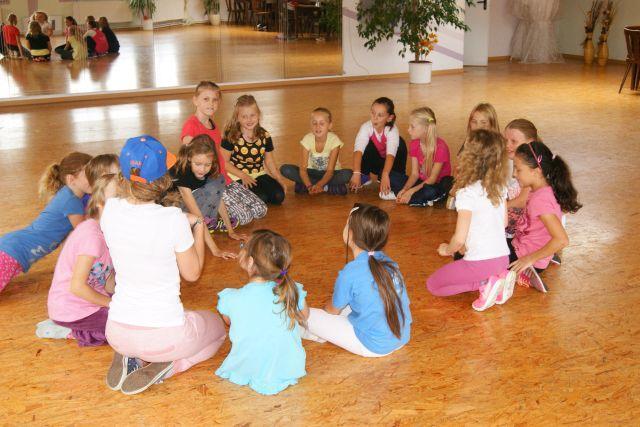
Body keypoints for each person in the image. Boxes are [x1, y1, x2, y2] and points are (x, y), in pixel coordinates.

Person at [103, 135, 226, 395]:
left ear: (123, 176)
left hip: (116, 332)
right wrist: (197, 226)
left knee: (177, 320)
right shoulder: (173, 219)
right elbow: (192, 274)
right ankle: (170, 365)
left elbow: (125, 200)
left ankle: (129, 356)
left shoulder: (109, 210)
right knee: (217, 330)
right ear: (163, 179)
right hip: (165, 339)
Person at [302, 204, 412, 357]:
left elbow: (332, 310)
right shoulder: (390, 263)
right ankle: (323, 333)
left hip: (374, 346)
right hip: (401, 337)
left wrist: (325, 311)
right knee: (353, 303)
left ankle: (314, 333)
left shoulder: (350, 272)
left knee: (307, 313)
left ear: (351, 233)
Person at [426, 130, 515, 311]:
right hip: (502, 260)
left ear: (468, 159)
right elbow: (504, 223)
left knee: (433, 285)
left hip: (479, 264)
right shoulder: (499, 187)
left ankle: (485, 284)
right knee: (465, 273)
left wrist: (446, 250)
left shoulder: (466, 193)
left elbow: (459, 239)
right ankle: (493, 281)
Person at [216, 230, 308, 395]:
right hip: (290, 368)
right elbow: (305, 315)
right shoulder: (292, 290)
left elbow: (229, 321)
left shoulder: (230, 298)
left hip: (248, 368)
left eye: (243, 246)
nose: (240, 249)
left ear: (250, 262)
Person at [38, 174, 118, 346]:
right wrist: (113, 303)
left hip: (90, 301)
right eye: (117, 202)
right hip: (72, 309)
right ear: (100, 205)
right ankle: (69, 330)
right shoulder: (92, 236)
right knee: (121, 330)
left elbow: (108, 279)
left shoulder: (111, 233)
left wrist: (123, 297)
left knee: (133, 316)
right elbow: (77, 287)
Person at [0, 152, 92, 294]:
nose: (94, 178)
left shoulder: (70, 195)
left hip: (14, 248)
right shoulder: (71, 202)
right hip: (14, 251)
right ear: (71, 179)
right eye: (89, 175)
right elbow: (84, 232)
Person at [181, 81, 267, 227]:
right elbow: (186, 154)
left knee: (260, 210)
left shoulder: (213, 125)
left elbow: (220, 157)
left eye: (215, 100)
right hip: (209, 184)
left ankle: (216, 211)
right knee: (245, 217)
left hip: (224, 179)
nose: (211, 103)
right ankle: (211, 218)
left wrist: (237, 176)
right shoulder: (191, 125)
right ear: (195, 100)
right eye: (206, 99)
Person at [508, 141, 582, 291]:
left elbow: (562, 240)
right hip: (522, 247)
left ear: (536, 172)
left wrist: (529, 259)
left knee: (484, 258)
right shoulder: (540, 189)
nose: (514, 174)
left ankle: (523, 274)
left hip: (526, 257)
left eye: (518, 169)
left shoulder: (540, 200)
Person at [171, 134, 244, 258]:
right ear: (189, 158)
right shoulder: (182, 171)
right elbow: (196, 213)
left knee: (218, 180)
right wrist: (215, 250)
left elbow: (218, 198)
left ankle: (204, 224)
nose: (202, 169)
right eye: (198, 164)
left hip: (188, 204)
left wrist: (230, 230)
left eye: (207, 165)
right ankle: (192, 228)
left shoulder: (211, 168)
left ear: (212, 161)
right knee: (211, 189)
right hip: (172, 208)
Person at [222, 95, 288, 205]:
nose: (249, 120)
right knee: (261, 198)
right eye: (244, 116)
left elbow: (269, 161)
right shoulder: (231, 135)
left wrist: (279, 178)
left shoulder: (264, 135)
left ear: (258, 115)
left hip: (258, 174)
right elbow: (224, 162)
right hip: (238, 175)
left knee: (279, 196)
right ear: (237, 118)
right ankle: (233, 192)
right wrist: (243, 176)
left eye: (252, 115)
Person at [280, 107, 353, 195]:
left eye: (322, 123)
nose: (317, 127)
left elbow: (330, 171)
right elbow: (303, 169)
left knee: (348, 174)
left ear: (330, 125)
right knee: (286, 169)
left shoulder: (334, 140)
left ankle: (307, 185)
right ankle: (328, 187)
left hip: (331, 173)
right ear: (310, 125)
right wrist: (309, 186)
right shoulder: (307, 139)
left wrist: (319, 185)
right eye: (314, 123)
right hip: (311, 172)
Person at [388, 107, 452, 205]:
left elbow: (432, 179)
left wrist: (411, 191)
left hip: (435, 184)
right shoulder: (414, 143)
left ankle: (414, 197)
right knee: (390, 176)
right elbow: (414, 174)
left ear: (425, 129)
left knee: (432, 190)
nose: (408, 130)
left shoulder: (440, 148)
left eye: (412, 127)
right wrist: (405, 189)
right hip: (421, 182)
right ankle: (416, 198)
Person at [348, 97, 407, 199]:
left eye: (380, 115)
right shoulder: (366, 127)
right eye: (373, 113)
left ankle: (394, 176)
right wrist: (356, 173)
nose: (374, 118)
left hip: (391, 164)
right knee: (366, 144)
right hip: (377, 164)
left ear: (389, 118)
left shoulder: (392, 130)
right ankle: (364, 175)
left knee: (400, 144)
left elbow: (391, 155)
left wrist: (385, 174)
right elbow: (358, 150)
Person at [504, 119, 538, 237]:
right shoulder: (514, 161)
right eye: (506, 140)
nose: (507, 145)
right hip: (517, 232)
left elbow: (522, 200)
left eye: (513, 141)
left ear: (530, 142)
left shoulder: (534, 166)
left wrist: (495, 209)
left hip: (530, 236)